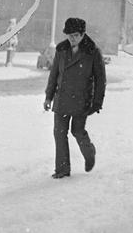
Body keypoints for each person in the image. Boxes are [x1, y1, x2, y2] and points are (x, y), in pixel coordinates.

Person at [44, 17, 106, 178]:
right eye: (69, 35)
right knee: (59, 133)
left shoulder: (92, 52)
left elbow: (100, 80)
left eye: (76, 35)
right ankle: (62, 170)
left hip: (81, 100)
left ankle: (89, 152)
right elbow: (54, 75)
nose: (72, 38)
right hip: (62, 98)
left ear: (83, 34)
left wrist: (97, 102)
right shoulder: (61, 50)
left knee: (77, 131)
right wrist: (48, 97)